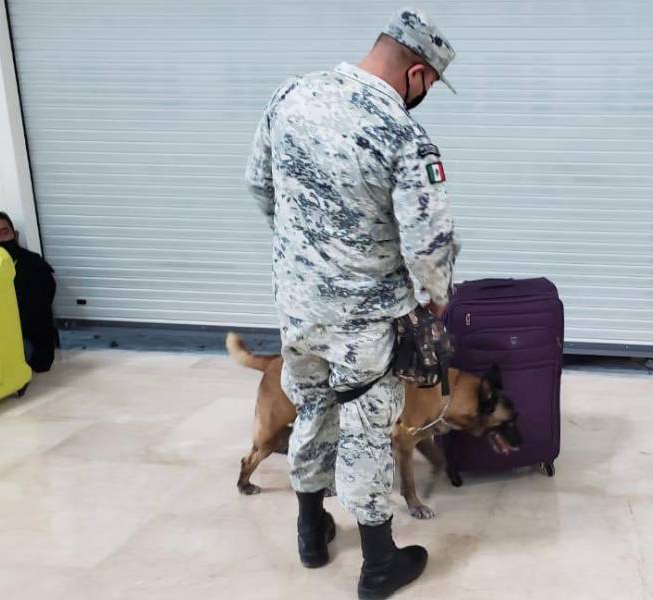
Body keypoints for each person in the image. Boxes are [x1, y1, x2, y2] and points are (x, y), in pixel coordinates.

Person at [246, 8, 459, 598]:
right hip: (363, 321)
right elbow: (429, 245)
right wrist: (435, 303)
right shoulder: (404, 135)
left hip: (296, 307)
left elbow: (259, 184)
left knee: (311, 407)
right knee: (366, 427)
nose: (427, 96)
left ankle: (311, 531)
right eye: (432, 86)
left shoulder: (291, 95)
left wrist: (308, 256)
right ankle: (379, 563)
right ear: (417, 73)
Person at [0, 210, 57, 372]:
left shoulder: (35, 267)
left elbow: (34, 317)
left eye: (4, 233)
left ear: (15, 235)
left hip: (26, 341)